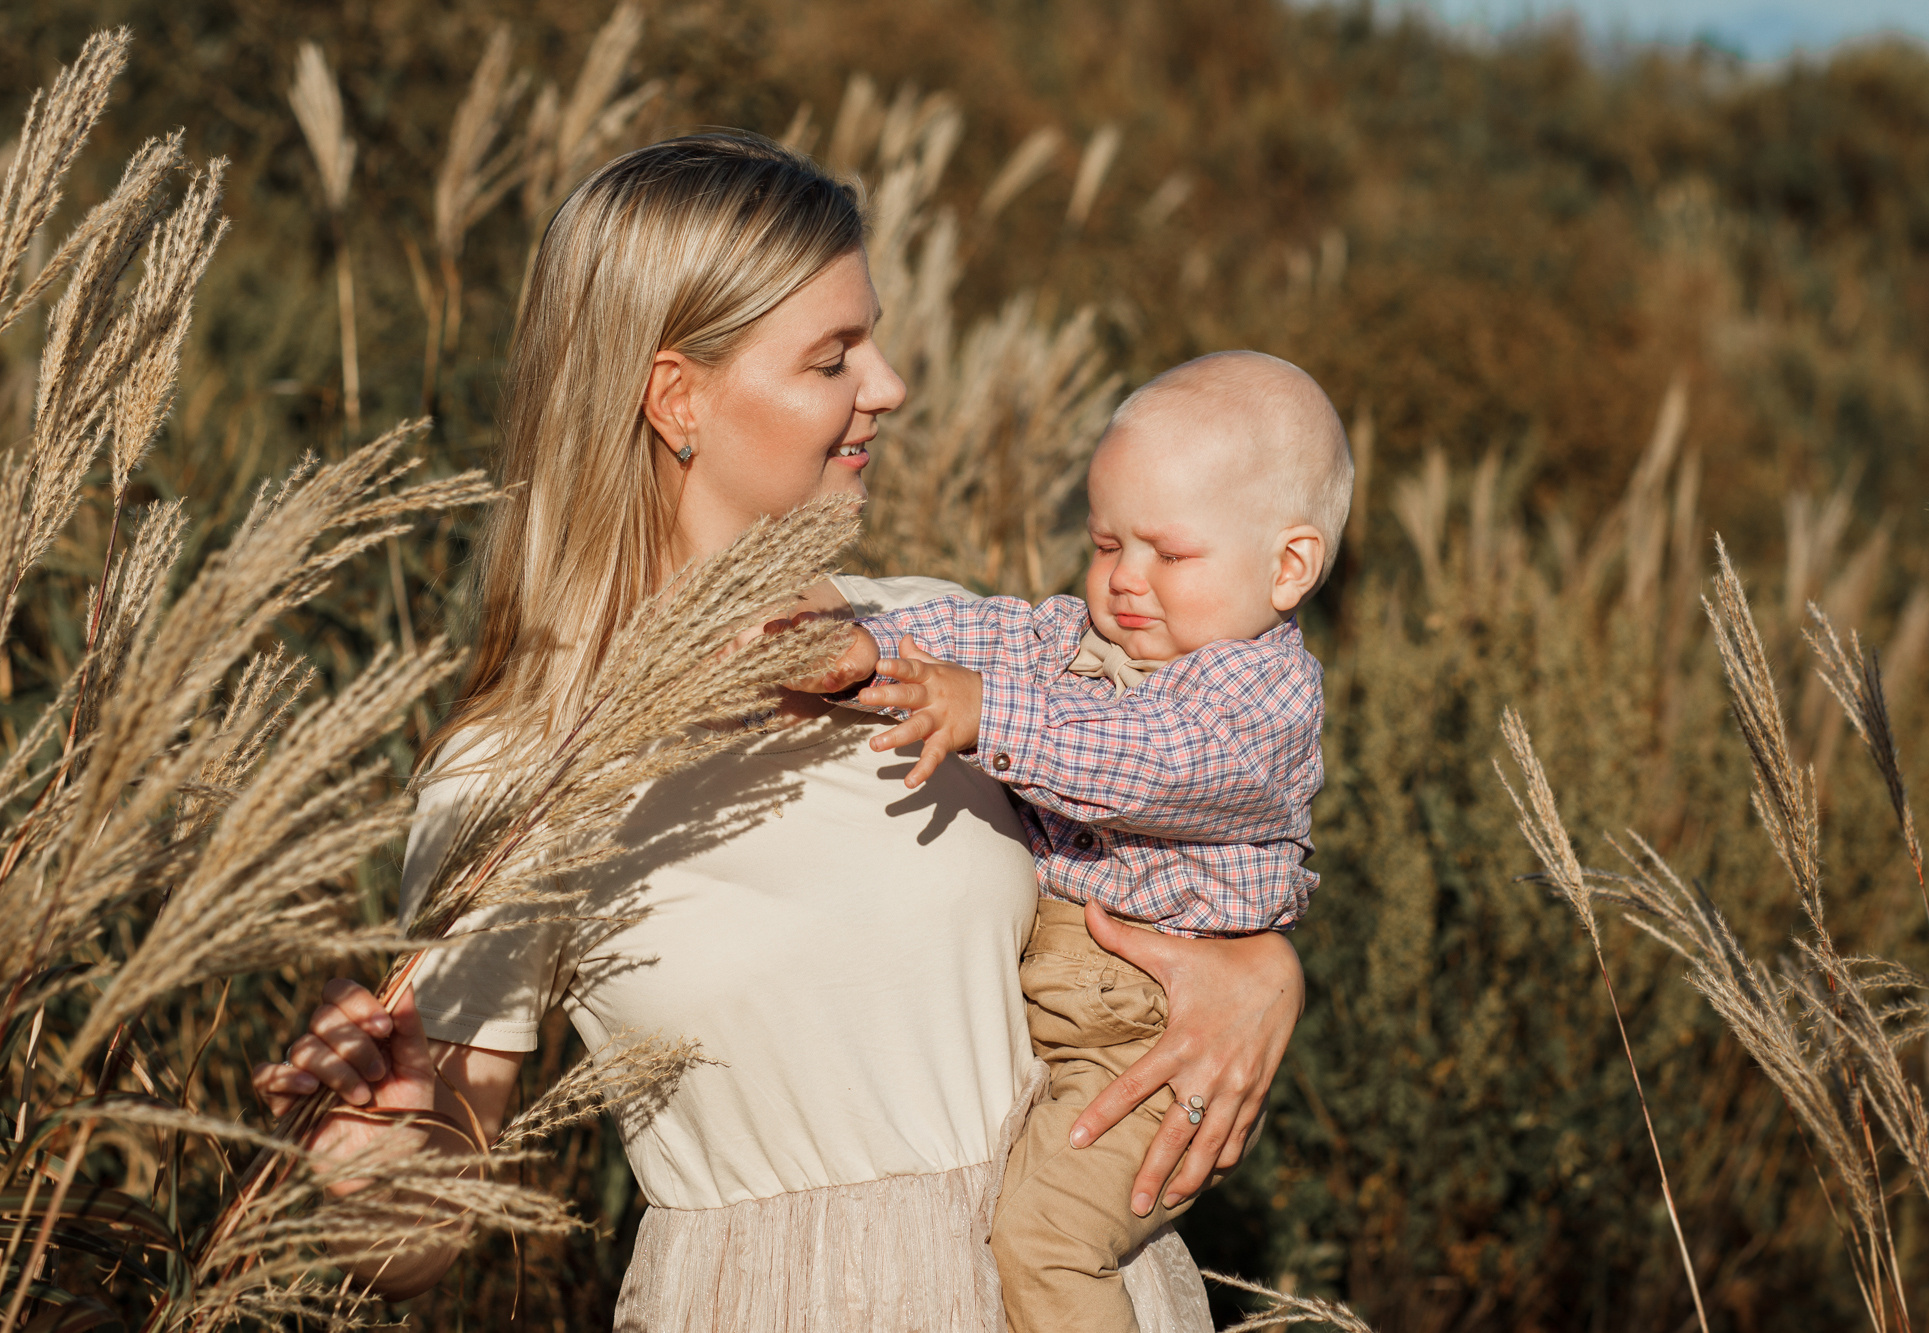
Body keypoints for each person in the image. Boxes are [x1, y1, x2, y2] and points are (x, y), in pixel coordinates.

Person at [251, 134, 1306, 1333]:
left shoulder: (946, 637)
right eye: (831, 357)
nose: (891, 385)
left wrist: (1263, 968)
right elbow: (421, 1230)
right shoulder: (521, 766)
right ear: (676, 396)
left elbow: (1208, 789)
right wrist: (356, 1165)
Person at [794, 351, 1348, 1332]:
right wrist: (867, 649)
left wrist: (983, 712)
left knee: (1048, 1241)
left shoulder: (1256, 699)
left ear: (1287, 565)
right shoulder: (1081, 641)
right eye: (1103, 544)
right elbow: (982, 630)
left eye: (1167, 555)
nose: (1122, 581)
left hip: (1147, 1038)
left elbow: (1146, 758)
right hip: (1065, 1017)